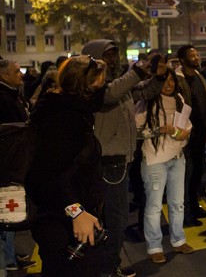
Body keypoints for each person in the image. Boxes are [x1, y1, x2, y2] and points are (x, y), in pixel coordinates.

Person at [82, 39, 163, 277]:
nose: (114, 59)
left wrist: (158, 75)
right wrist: (137, 71)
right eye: (108, 55)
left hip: (120, 159)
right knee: (116, 219)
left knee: (113, 218)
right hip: (109, 159)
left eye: (116, 55)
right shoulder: (96, 88)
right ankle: (108, 268)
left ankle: (107, 265)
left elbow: (146, 91)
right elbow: (111, 94)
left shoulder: (118, 84)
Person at [26, 55, 112, 276]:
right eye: (100, 84)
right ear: (85, 87)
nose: (104, 88)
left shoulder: (69, 111)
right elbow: (46, 176)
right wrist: (76, 212)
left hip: (71, 220)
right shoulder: (65, 119)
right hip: (61, 224)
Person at [134, 69, 195, 263]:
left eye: (172, 81)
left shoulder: (179, 99)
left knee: (177, 203)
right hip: (154, 161)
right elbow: (135, 132)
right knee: (154, 206)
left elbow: (186, 126)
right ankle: (154, 246)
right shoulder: (147, 102)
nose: (169, 84)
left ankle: (178, 240)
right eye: (165, 81)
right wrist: (160, 130)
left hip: (177, 157)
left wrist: (182, 133)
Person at [0, 59, 36, 272]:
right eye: (16, 72)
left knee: (10, 213)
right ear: (4, 76)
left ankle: (11, 257)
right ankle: (8, 261)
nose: (21, 75)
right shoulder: (4, 99)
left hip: (14, 163)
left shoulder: (14, 94)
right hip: (8, 166)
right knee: (7, 213)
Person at [174, 45, 206, 227]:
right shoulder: (178, 80)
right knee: (186, 175)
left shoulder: (199, 77)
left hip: (200, 133)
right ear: (183, 60)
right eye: (192, 56)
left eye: (197, 54)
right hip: (185, 135)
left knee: (197, 172)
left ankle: (194, 206)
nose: (197, 57)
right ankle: (185, 214)